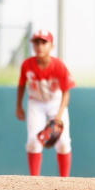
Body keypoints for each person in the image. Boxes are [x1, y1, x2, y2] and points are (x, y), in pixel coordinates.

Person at [16, 29, 75, 177]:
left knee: (63, 143)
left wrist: (59, 116)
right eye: (36, 42)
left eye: (44, 42)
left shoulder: (59, 65)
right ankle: (35, 181)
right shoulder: (27, 65)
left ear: (51, 46)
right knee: (33, 142)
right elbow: (22, 84)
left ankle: (65, 181)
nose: (39, 46)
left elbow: (66, 92)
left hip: (56, 103)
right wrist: (19, 106)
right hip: (36, 103)